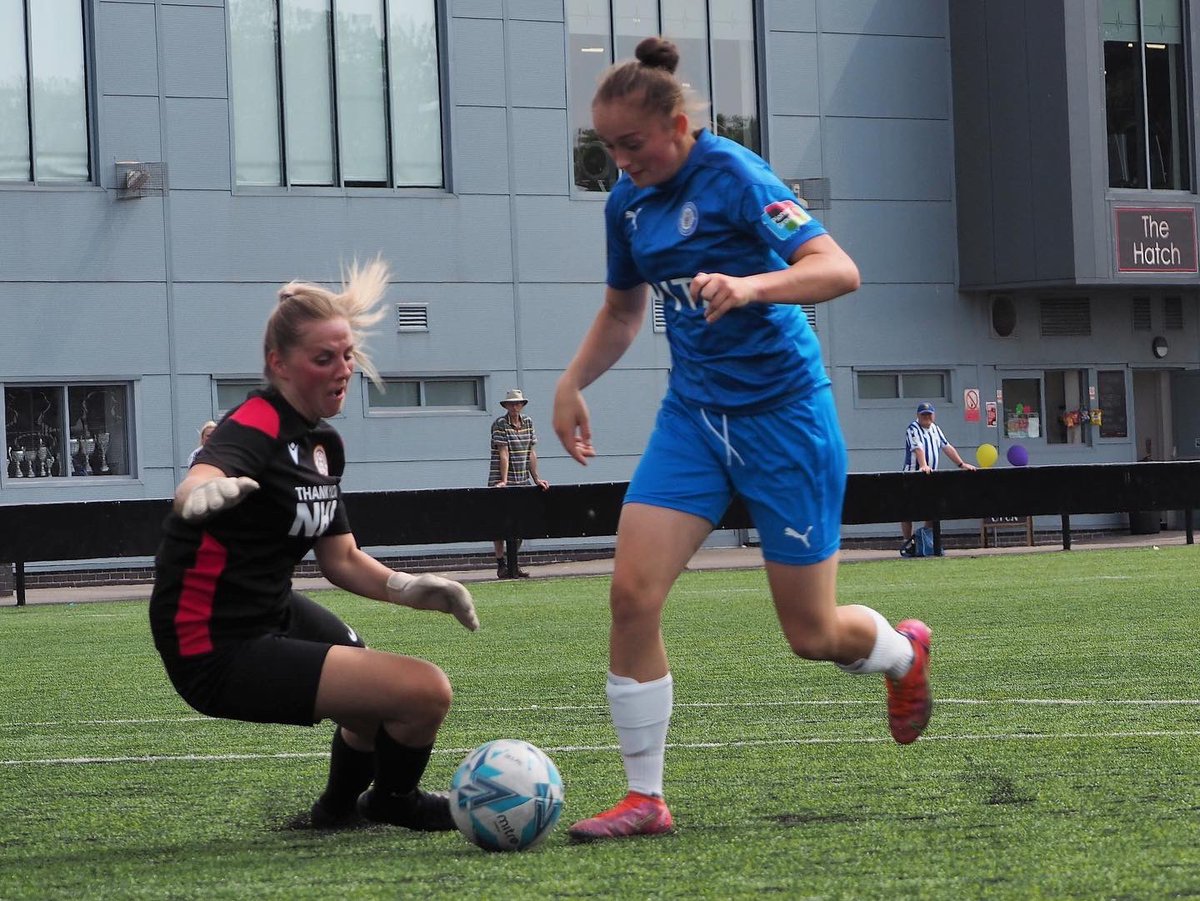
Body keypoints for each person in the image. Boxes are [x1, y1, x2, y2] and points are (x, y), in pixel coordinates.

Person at [551, 36, 933, 843]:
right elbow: (623, 311)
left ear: (679, 125)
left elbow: (838, 269)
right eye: (607, 147)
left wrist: (752, 283)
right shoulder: (627, 205)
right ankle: (645, 798)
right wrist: (571, 383)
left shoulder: (736, 175)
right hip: (692, 420)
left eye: (633, 144)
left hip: (785, 416)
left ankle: (901, 653)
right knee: (630, 596)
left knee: (812, 635)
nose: (621, 162)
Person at [149, 260, 479, 833]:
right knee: (425, 692)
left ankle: (336, 812)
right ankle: (392, 799)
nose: (344, 369)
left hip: (268, 613)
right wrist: (198, 493)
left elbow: (341, 558)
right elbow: (204, 474)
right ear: (279, 364)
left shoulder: (321, 441)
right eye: (324, 358)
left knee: (375, 689)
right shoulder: (255, 422)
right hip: (210, 642)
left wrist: (411, 588)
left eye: (347, 354)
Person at [899, 402, 976, 557]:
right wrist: (924, 465)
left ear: (933, 415)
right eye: (923, 415)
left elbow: (946, 447)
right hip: (913, 476)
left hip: (930, 477)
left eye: (929, 415)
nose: (926, 418)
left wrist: (961, 464)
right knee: (907, 510)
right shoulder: (913, 428)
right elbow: (918, 448)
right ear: (918, 416)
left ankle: (927, 541)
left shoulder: (935, 429)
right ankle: (908, 541)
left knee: (932, 509)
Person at [488, 387, 549, 579]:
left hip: (523, 479)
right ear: (506, 406)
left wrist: (536, 478)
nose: (514, 406)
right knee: (498, 524)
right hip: (501, 480)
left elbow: (531, 452)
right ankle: (501, 564)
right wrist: (504, 480)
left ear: (522, 405)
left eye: (517, 403)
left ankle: (513, 563)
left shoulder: (528, 423)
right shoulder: (500, 424)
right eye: (511, 403)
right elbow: (503, 452)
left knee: (521, 524)